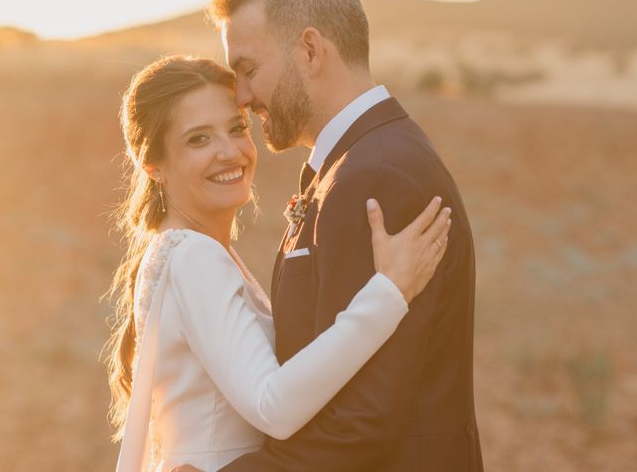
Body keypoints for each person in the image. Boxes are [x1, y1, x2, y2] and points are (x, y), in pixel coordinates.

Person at [104, 55, 453, 472]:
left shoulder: (184, 250)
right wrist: (389, 292)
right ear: (153, 166)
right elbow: (273, 406)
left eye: (237, 129)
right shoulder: (194, 256)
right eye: (199, 140)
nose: (230, 152)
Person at [209, 0, 484, 471]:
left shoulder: (378, 177)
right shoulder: (362, 160)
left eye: (248, 69)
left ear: (310, 51)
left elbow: (361, 424)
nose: (242, 98)